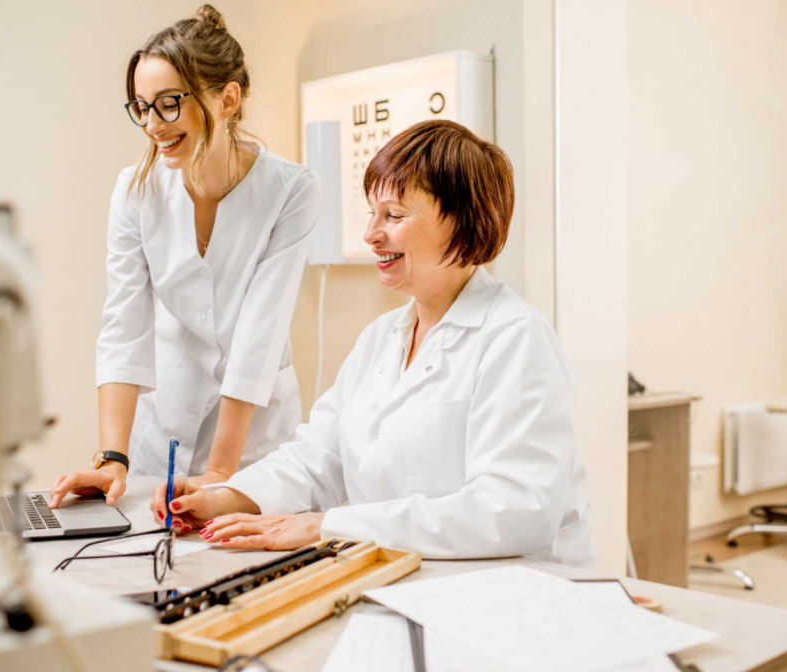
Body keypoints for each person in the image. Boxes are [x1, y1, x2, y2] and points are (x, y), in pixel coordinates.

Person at [150, 120, 595, 564]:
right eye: (372, 213)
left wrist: (326, 526)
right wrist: (226, 496)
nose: (371, 235)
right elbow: (318, 456)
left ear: (462, 221)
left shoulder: (516, 339)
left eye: (394, 216)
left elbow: (513, 511)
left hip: (505, 599)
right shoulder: (380, 339)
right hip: (400, 581)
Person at [50, 5, 320, 514]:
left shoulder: (291, 190)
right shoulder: (135, 191)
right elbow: (124, 325)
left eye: (169, 104)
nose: (152, 124)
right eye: (141, 106)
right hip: (165, 427)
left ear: (227, 98)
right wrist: (113, 457)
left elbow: (259, 335)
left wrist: (220, 472)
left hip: (254, 437)